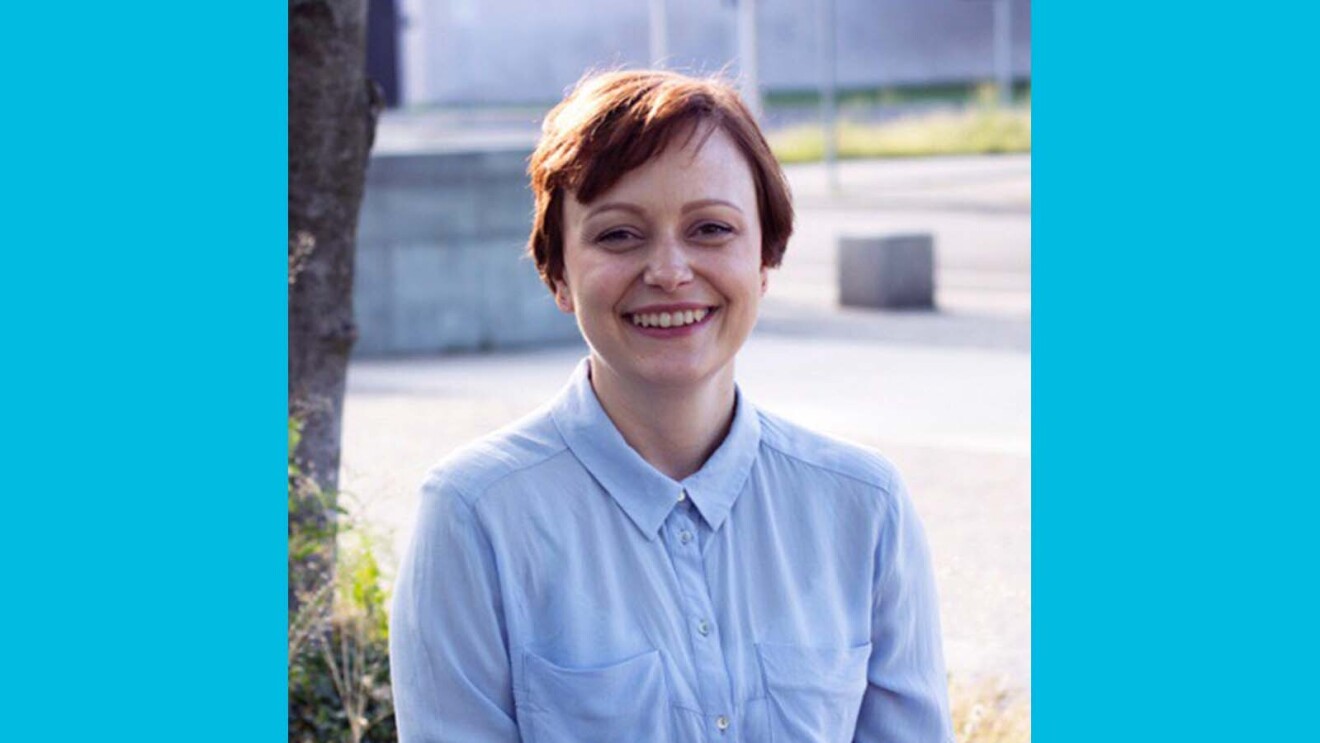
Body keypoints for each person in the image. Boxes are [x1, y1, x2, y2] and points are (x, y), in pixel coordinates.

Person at [389, 69, 954, 743]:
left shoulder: (864, 505)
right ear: (559, 275)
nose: (669, 270)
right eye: (619, 235)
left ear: (766, 260)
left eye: (711, 228)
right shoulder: (476, 516)